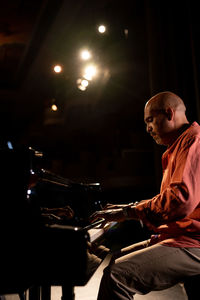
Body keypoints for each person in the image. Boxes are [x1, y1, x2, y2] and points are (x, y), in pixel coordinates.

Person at [90, 91, 200, 300]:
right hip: (180, 236)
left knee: (116, 276)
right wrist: (127, 210)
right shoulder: (178, 146)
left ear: (168, 113)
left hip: (193, 242)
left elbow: (179, 201)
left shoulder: (193, 141)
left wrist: (129, 211)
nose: (147, 129)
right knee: (116, 260)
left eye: (150, 120)